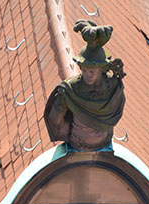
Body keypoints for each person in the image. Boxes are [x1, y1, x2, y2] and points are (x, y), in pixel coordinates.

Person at [44, 20, 125, 151]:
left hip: (102, 144)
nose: (87, 74)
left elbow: (56, 121)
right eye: (84, 69)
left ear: (101, 69)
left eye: (91, 71)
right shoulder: (69, 90)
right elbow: (55, 119)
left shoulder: (114, 86)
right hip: (78, 144)